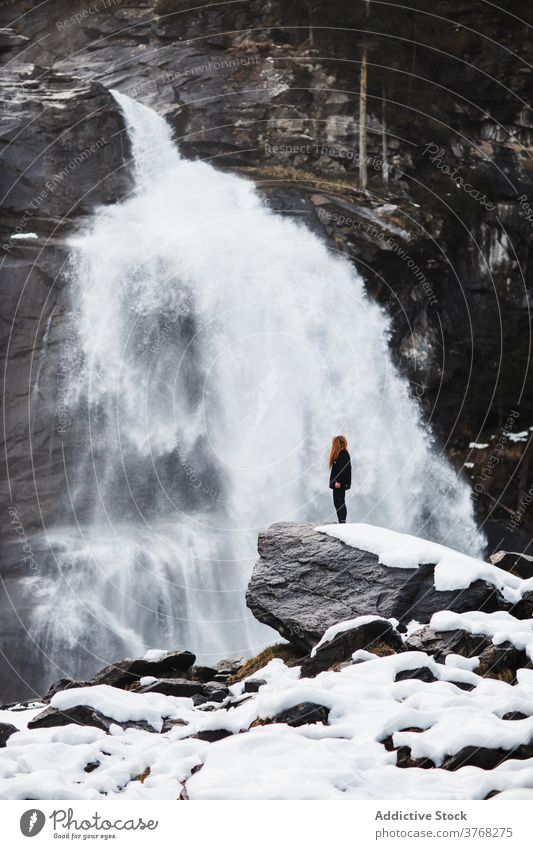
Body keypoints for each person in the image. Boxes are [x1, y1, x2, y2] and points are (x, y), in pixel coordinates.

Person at [328, 434, 351, 523]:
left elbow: (344, 469)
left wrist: (339, 481)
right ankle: (341, 520)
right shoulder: (340, 453)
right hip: (337, 483)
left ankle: (342, 521)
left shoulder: (343, 453)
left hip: (339, 483)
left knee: (340, 502)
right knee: (337, 502)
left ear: (338, 443)